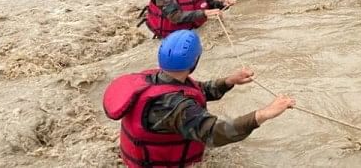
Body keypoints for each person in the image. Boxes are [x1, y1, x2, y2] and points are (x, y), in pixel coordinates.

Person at [103, 30, 295, 168]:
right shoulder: (175, 106)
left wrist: (229, 81)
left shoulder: (153, 78)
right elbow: (216, 134)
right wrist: (265, 113)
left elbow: (197, 89)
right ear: (195, 61)